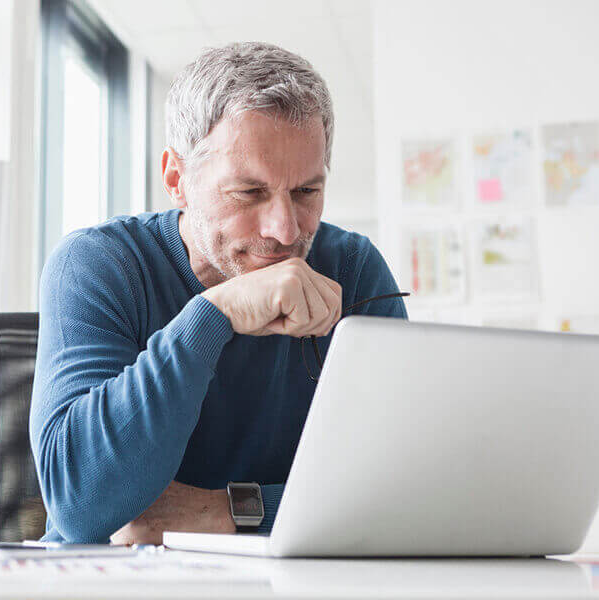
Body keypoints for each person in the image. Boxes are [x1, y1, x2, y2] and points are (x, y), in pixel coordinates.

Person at [30, 41, 408, 545]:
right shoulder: (97, 264)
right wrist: (213, 314)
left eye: (306, 192)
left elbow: (404, 489)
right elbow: (82, 506)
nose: (285, 229)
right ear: (176, 179)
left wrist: (221, 513)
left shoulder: (354, 269)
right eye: (248, 193)